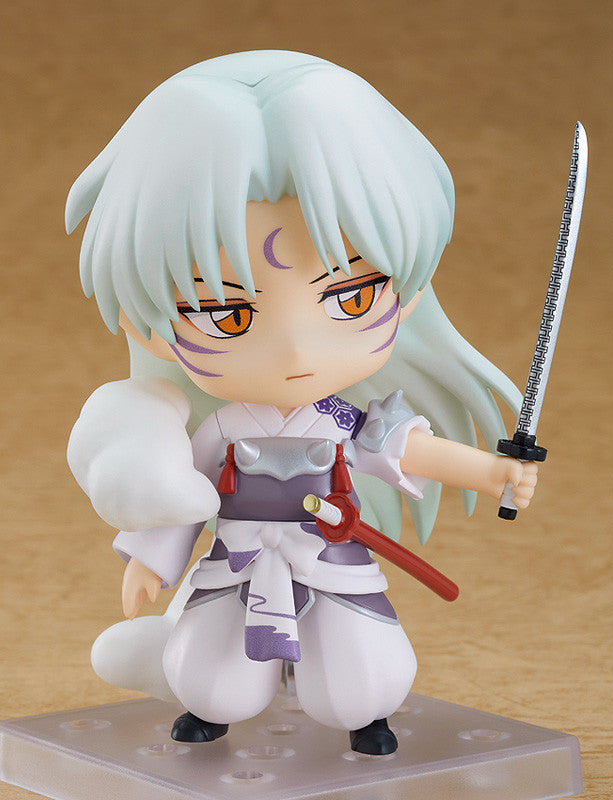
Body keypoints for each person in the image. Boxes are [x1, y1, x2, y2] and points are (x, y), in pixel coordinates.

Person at [65, 51, 537, 755]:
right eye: (227, 314)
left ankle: (367, 718)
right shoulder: (221, 430)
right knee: (213, 682)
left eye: (350, 298)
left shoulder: (343, 422)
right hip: (236, 569)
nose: (293, 351)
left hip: (332, 566)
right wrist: (152, 561)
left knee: (358, 680)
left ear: (407, 291)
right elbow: (184, 496)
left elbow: (408, 449)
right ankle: (203, 705)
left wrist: (496, 472)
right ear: (148, 326)